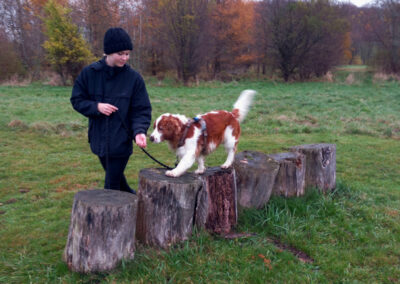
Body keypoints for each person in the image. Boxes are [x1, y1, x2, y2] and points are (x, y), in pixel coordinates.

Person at [70, 27, 152, 194]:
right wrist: (96, 107)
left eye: (127, 54)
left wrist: (139, 131)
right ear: (108, 52)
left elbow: (141, 109)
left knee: (111, 188)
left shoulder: (134, 78)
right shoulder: (89, 73)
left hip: (121, 142)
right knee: (118, 183)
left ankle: (114, 219)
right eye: (121, 53)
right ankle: (138, 202)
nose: (125, 58)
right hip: (98, 141)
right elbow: (77, 100)